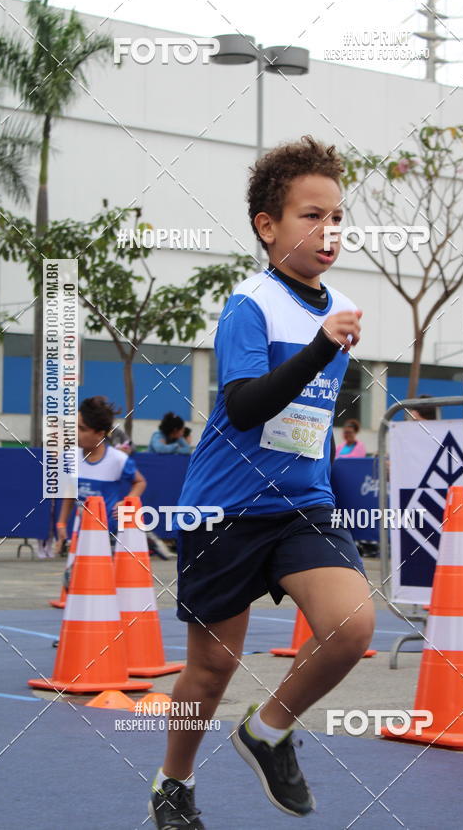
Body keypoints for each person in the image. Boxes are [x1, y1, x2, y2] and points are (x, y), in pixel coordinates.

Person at [149, 136, 374, 829]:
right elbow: (246, 407)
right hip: (225, 510)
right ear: (267, 226)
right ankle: (173, 783)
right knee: (211, 671)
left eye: (336, 218)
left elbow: (309, 417)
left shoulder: (341, 305)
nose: (328, 231)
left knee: (351, 625)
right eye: (311, 216)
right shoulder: (250, 304)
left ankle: (267, 730)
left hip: (302, 507)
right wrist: (320, 346)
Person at [55, 396, 146, 556]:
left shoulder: (118, 459)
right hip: (83, 533)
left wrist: (128, 502)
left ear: (99, 434)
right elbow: (70, 492)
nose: (75, 432)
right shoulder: (70, 457)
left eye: (82, 429)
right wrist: (62, 523)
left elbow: (140, 482)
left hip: (110, 536)